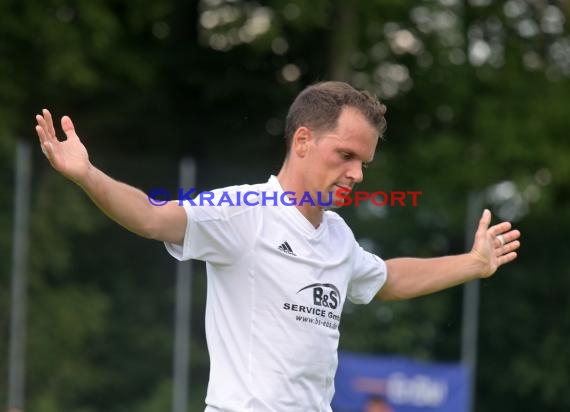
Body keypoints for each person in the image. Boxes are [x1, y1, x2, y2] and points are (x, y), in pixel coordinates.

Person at [34, 81, 520, 412]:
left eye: (364, 163)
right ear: (303, 141)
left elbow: (386, 279)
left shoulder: (337, 236)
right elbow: (149, 216)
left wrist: (474, 262)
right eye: (346, 155)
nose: (356, 173)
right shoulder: (243, 212)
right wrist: (87, 174)